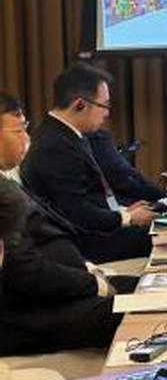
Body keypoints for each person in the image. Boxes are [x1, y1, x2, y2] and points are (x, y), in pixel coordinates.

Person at [0, 93, 136, 355]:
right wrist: (92, 284)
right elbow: (24, 271)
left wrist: (87, 269)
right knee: (146, 309)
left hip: (60, 288)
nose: (27, 139)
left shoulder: (7, 179)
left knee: (150, 288)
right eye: (18, 130)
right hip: (30, 314)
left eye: (26, 128)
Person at [20, 63, 157, 263]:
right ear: (80, 105)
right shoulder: (55, 145)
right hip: (85, 244)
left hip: (94, 232)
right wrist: (127, 218)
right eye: (104, 105)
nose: (107, 113)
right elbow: (76, 213)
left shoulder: (67, 135)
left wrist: (123, 212)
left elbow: (88, 199)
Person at [86, 129, 166, 205]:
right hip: (110, 204)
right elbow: (120, 172)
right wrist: (160, 195)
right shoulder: (96, 137)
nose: (104, 118)